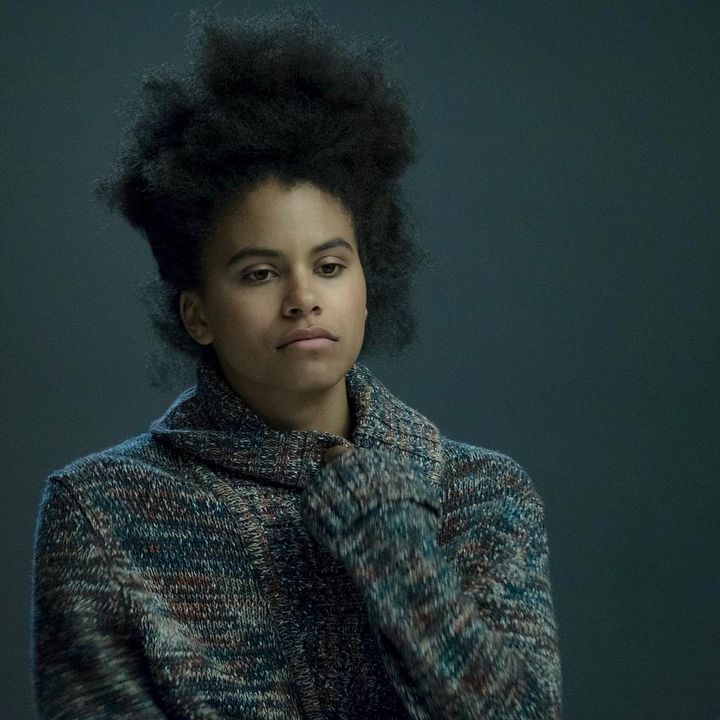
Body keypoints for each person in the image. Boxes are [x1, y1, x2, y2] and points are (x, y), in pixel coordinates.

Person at [32, 8, 562, 720]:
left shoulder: (483, 493)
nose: (304, 298)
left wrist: (388, 536)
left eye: (331, 265)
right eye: (259, 273)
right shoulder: (101, 510)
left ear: (368, 285)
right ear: (197, 313)